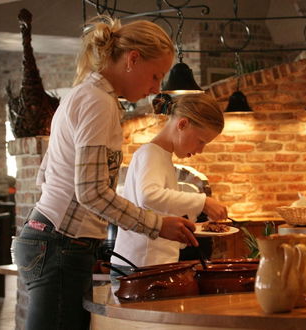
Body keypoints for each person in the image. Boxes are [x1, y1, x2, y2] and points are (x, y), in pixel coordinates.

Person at [11, 16, 198, 330]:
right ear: (132, 59)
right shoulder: (97, 102)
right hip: (60, 243)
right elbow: (92, 193)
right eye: (155, 76)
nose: (155, 89)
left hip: (52, 237)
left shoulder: (84, 94)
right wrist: (157, 224)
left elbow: (49, 175)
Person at [111, 93, 228, 274]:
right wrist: (203, 202)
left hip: (145, 263)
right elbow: (149, 196)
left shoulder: (161, 156)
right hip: (140, 265)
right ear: (182, 124)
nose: (200, 150)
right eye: (201, 141)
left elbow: (157, 210)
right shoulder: (152, 153)